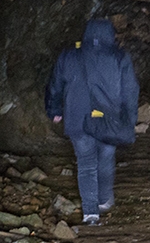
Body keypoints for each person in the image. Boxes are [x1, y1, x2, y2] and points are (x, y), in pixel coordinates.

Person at [45, 17, 139, 225]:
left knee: (86, 163)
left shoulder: (69, 56)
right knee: (105, 157)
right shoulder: (119, 57)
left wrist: (55, 110)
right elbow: (130, 91)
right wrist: (129, 119)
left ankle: (90, 212)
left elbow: (55, 85)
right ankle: (103, 199)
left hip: (77, 117)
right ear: (111, 35)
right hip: (108, 118)